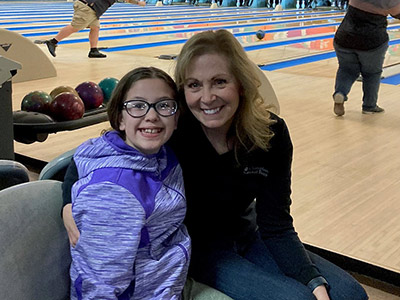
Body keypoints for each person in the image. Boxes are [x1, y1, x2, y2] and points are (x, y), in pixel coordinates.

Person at [62, 30, 368, 300]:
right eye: (194, 85)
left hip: (250, 235)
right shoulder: (172, 131)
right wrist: (68, 203)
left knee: (351, 294)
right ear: (183, 92)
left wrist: (310, 278)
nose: (207, 98)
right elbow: (93, 156)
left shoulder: (271, 134)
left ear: (241, 84)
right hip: (201, 250)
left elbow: (276, 224)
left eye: (219, 82)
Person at [69, 67, 188, 299]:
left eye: (163, 105)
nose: (152, 115)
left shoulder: (157, 154)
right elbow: (100, 289)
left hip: (166, 279)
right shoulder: (115, 194)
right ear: (120, 119)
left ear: (176, 117)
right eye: (137, 105)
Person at [332, 0, 400, 116]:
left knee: (346, 69)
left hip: (344, 36)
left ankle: (340, 93)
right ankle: (369, 106)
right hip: (372, 40)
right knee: (371, 73)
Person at [44, 0, 145, 58]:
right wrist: (138, 2)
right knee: (75, 27)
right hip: (88, 7)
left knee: (95, 27)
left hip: (92, 8)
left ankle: (93, 50)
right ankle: (52, 42)